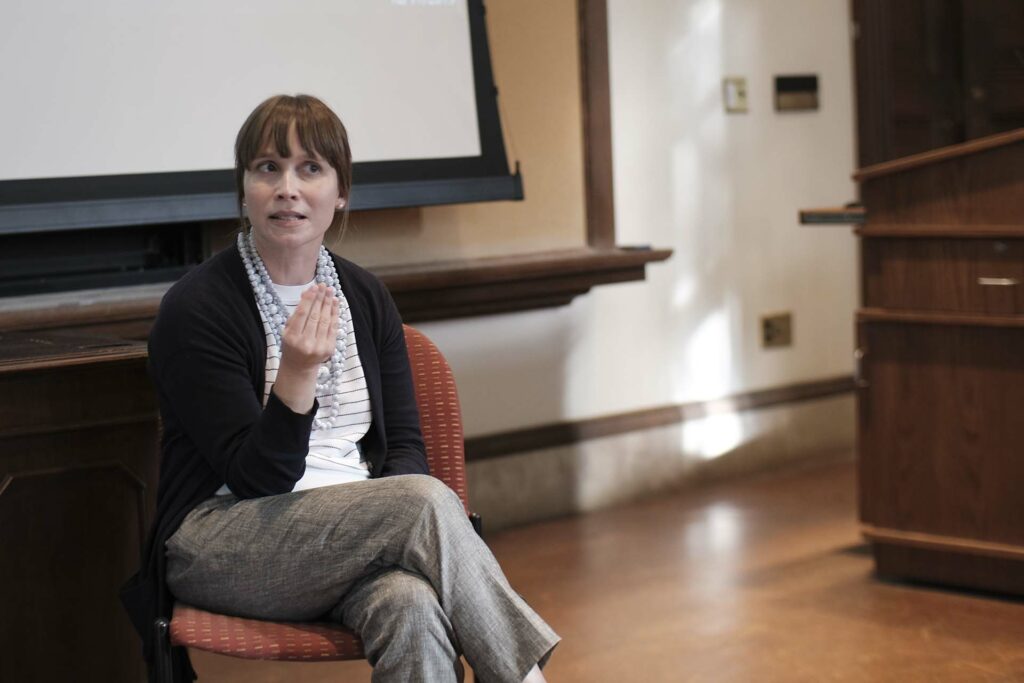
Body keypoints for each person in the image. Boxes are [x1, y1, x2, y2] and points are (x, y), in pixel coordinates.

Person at [120, 94, 558, 683]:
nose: (287, 187)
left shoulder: (365, 295)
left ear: (340, 192)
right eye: (267, 168)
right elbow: (255, 480)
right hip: (225, 539)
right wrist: (297, 375)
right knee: (421, 502)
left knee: (410, 604)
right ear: (244, 189)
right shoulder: (197, 308)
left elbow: (404, 447)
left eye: (311, 169)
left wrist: (377, 512)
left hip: (360, 531)